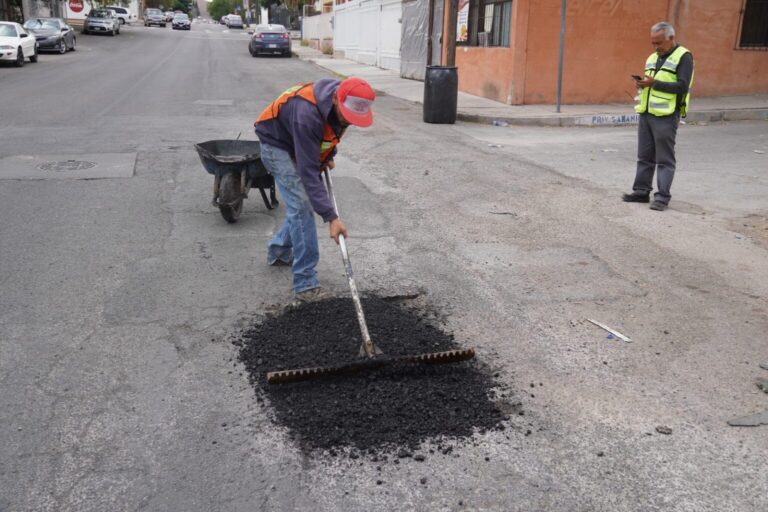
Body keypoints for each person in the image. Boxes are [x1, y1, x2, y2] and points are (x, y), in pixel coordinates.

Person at [254, 78, 375, 301]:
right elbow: (308, 172)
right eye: (347, 115)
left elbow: (331, 132)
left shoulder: (341, 100)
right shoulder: (306, 114)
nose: (348, 122)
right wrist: (331, 217)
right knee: (302, 206)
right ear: (337, 100)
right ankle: (305, 283)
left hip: (296, 142)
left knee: (301, 207)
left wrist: (328, 155)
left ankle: (279, 251)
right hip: (276, 146)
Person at [622, 21, 694, 211]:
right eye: (653, 43)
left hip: (666, 115)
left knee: (664, 159)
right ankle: (641, 192)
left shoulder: (684, 57)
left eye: (659, 42)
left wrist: (654, 84)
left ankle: (662, 197)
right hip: (646, 113)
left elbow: (682, 86)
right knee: (644, 156)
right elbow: (650, 82)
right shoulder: (652, 57)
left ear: (671, 38)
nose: (656, 47)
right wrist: (642, 84)